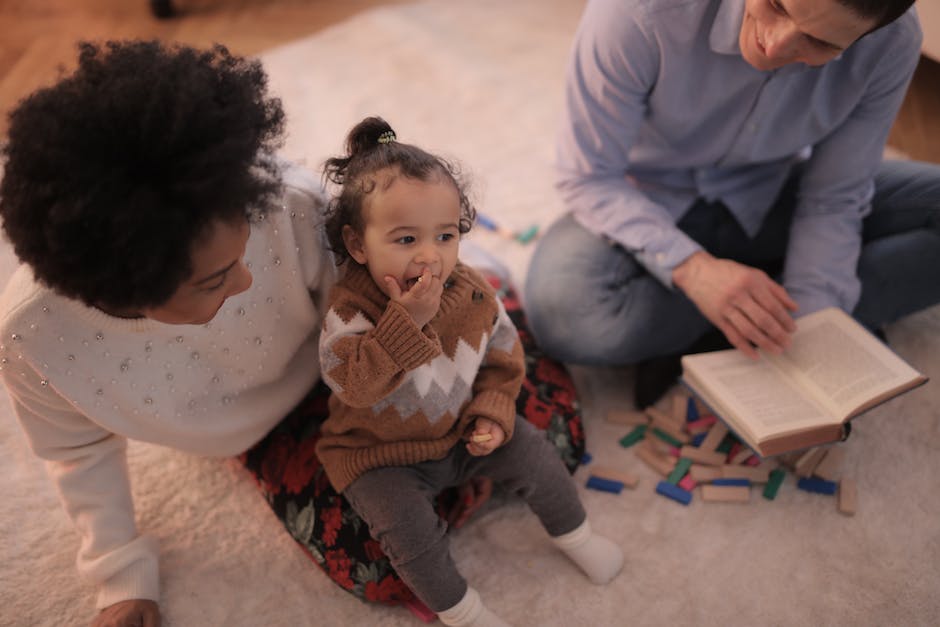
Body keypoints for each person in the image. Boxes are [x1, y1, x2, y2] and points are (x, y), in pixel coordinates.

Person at [0, 42, 585, 627]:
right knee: (374, 564)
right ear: (126, 291)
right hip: (276, 430)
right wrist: (120, 574)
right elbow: (77, 451)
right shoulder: (34, 338)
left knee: (549, 426)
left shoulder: (286, 203)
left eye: (243, 252)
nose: (249, 277)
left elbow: (378, 290)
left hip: (371, 359)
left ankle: (476, 330)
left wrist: (453, 328)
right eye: (216, 278)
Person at [524, 0, 940, 408]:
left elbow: (834, 197)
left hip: (775, 190)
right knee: (566, 314)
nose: (775, 46)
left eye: (817, 41)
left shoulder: (891, 43)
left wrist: (814, 317)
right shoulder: (637, 9)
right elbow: (589, 176)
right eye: (776, 5)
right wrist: (694, 270)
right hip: (646, 198)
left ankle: (754, 314)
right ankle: (759, 306)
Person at [315, 116, 623, 627]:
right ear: (357, 245)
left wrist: (494, 413)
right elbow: (355, 385)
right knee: (408, 536)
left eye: (445, 235)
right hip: (378, 454)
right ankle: (463, 613)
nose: (430, 257)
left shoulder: (473, 293)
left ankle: (578, 535)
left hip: (460, 432)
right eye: (406, 239)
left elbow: (504, 360)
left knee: (537, 454)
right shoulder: (349, 309)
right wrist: (405, 322)